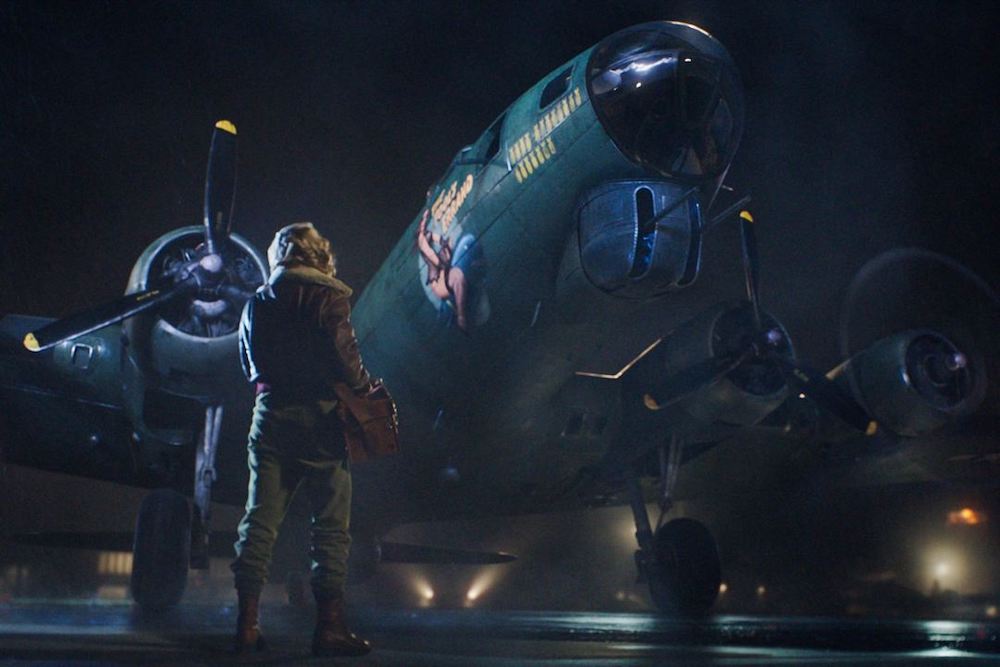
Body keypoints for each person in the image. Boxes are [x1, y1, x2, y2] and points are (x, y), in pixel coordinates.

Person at [232, 222, 374, 657]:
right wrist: (365, 390)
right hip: (322, 418)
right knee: (330, 527)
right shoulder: (330, 297)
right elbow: (348, 364)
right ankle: (330, 629)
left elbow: (248, 364)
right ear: (318, 255)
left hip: (271, 413)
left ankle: (246, 626)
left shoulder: (258, 302)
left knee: (259, 521)